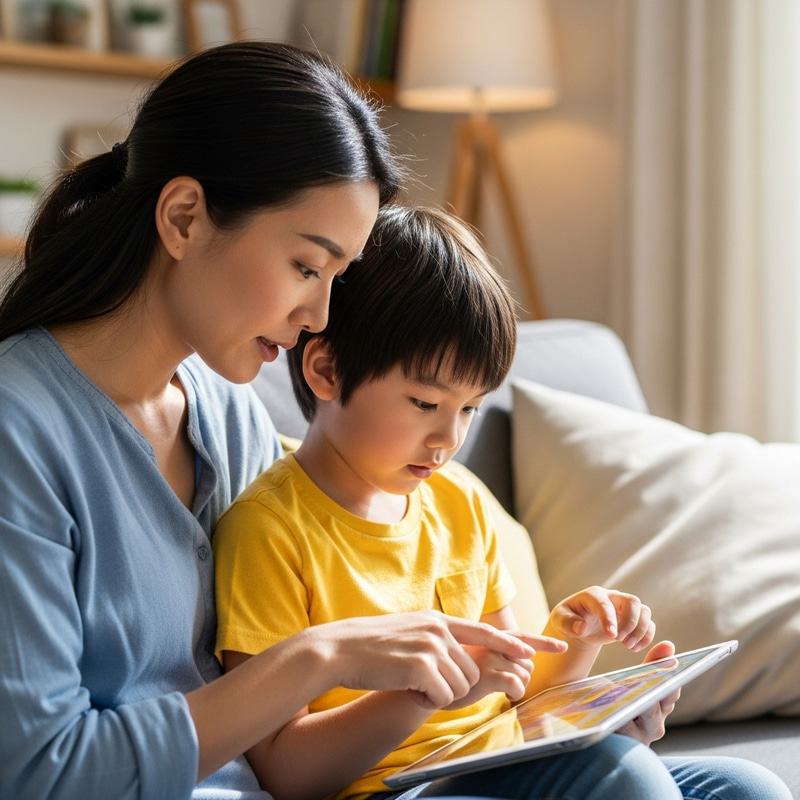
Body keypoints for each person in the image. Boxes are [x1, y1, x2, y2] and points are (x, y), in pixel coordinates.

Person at [0, 42, 547, 800]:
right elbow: (40, 773)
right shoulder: (18, 432)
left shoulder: (228, 413)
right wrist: (317, 660)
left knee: (730, 787)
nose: (319, 314)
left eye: (334, 278)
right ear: (185, 217)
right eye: (305, 266)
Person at [213, 205, 793, 800]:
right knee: (626, 778)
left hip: (498, 767)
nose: (449, 439)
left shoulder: (459, 501)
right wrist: (425, 694)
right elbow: (286, 771)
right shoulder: (268, 530)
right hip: (393, 791)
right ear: (327, 370)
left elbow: (518, 696)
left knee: (748, 787)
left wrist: (579, 644)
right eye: (424, 404)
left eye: (469, 408)